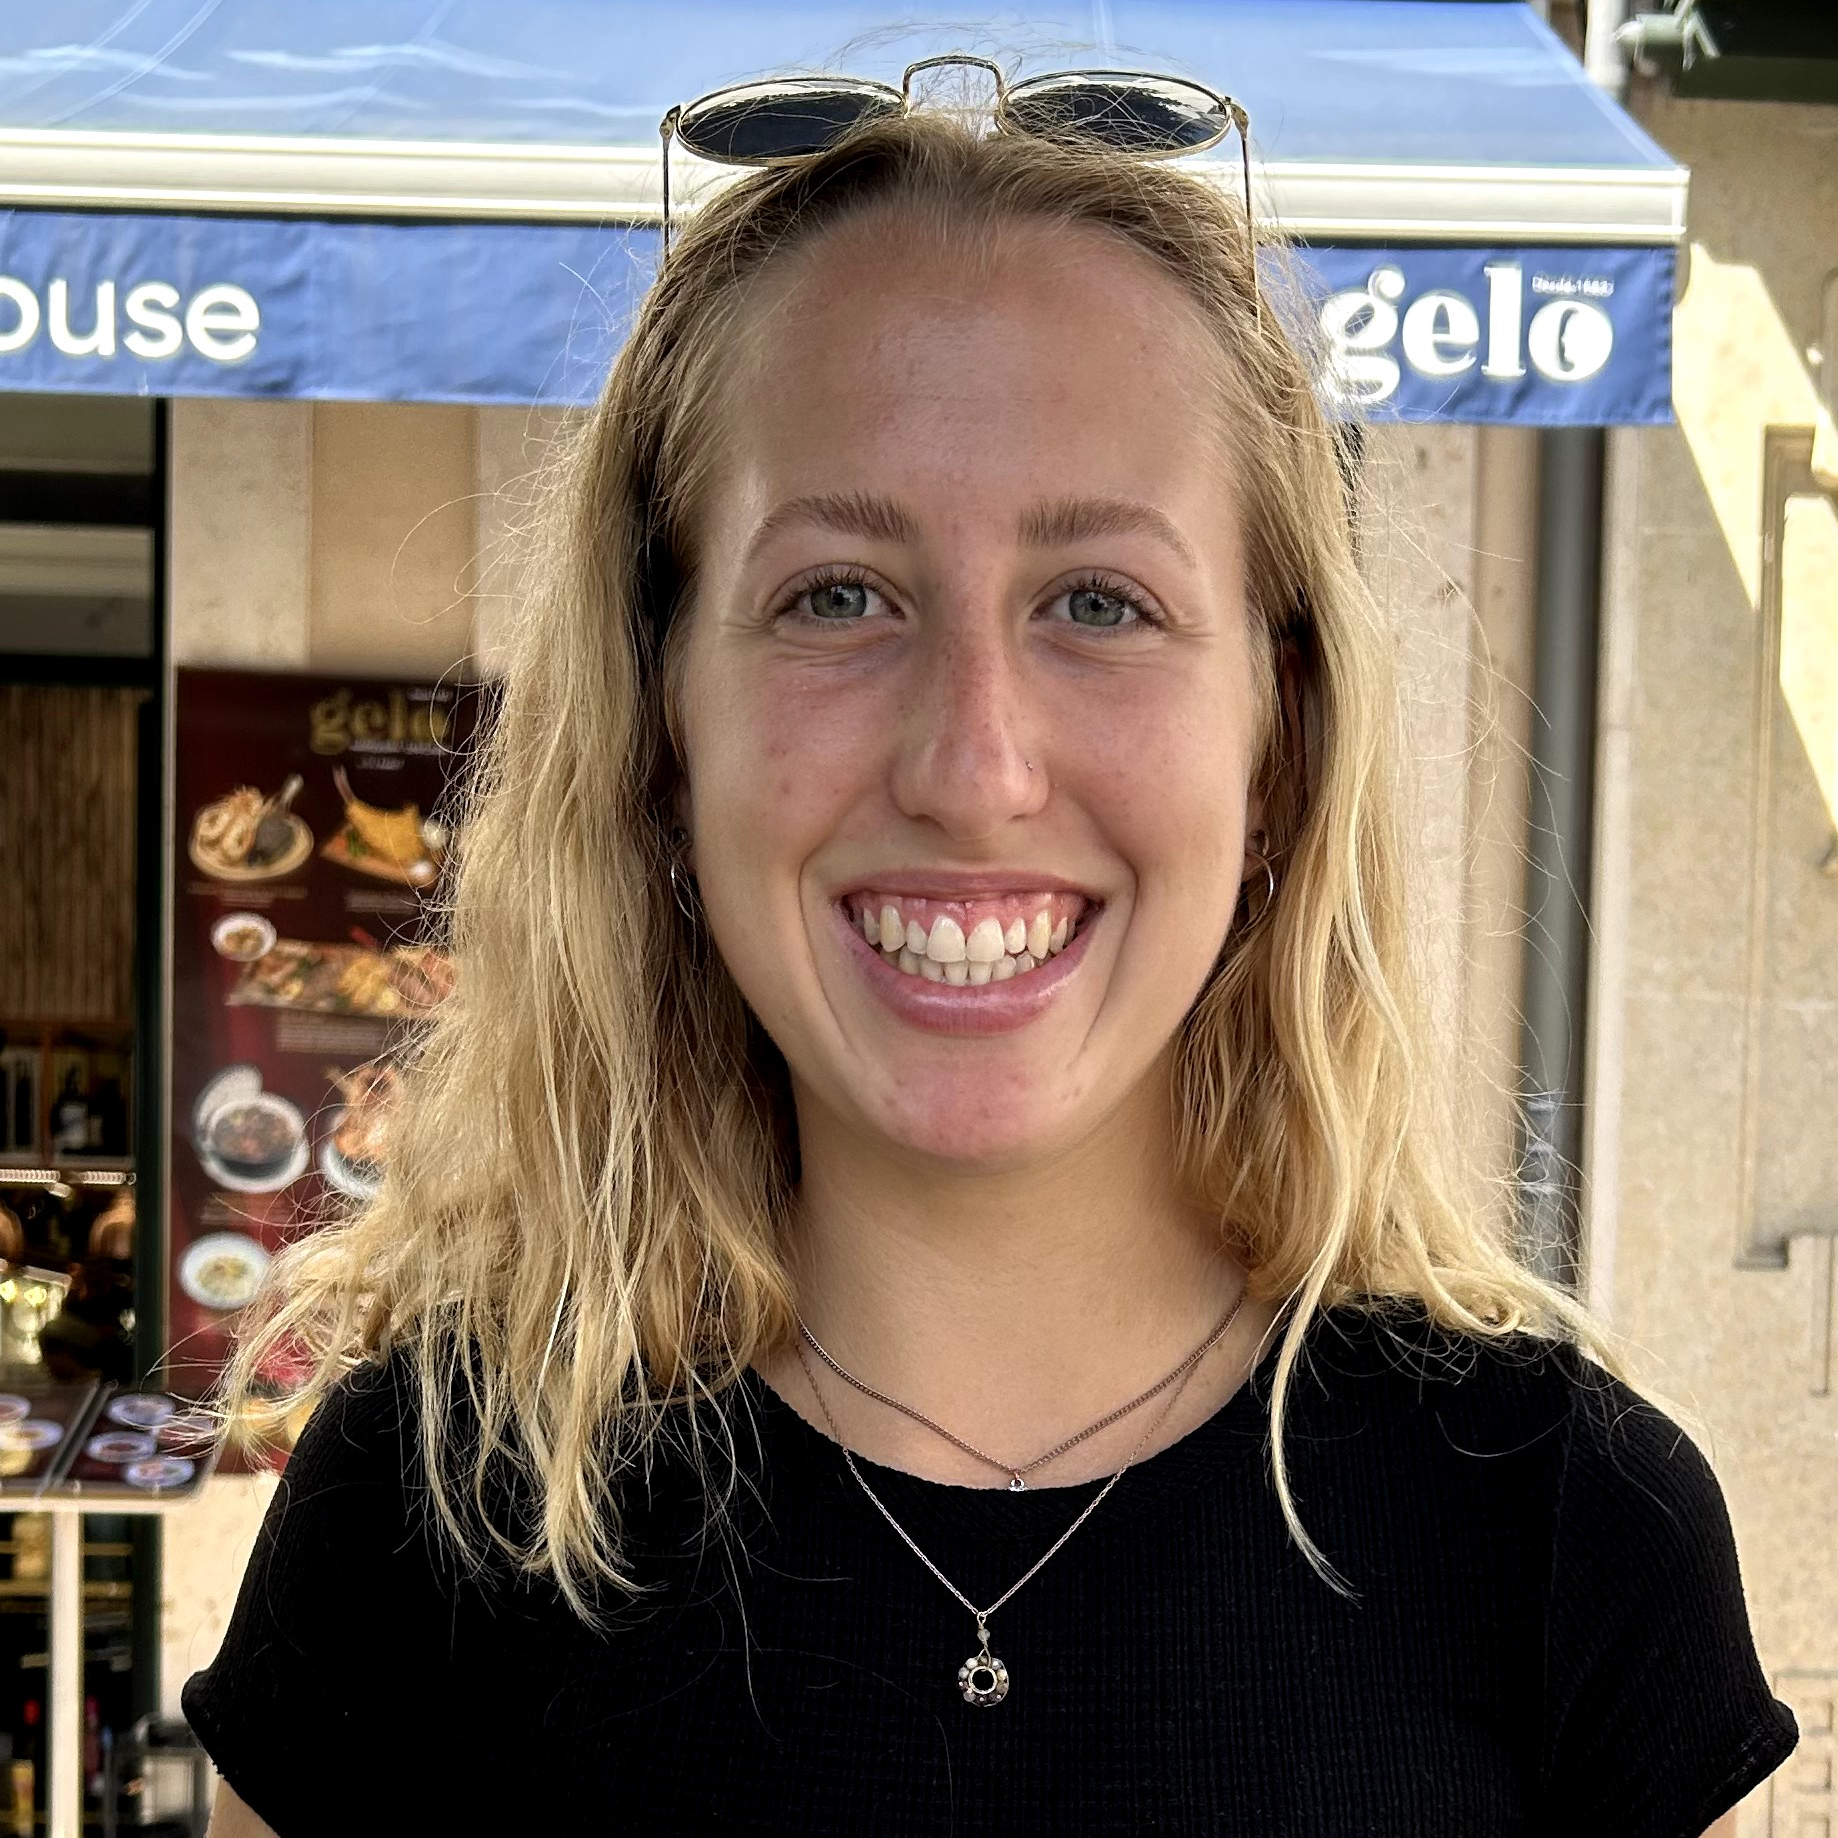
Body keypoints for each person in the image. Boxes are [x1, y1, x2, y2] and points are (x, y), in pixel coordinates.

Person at [188, 59, 1796, 1838]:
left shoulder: (1565, 1539)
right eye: (838, 596)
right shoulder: (427, 1525)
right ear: (664, 733)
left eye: (1099, 600)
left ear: (1283, 739)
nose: (973, 766)